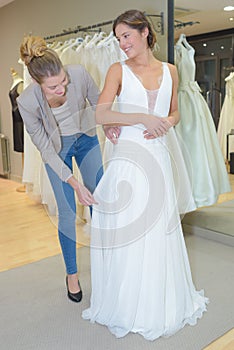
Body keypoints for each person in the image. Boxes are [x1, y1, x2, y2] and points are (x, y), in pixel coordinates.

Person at [82, 10, 208, 340]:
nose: (122, 43)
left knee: (159, 227)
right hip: (130, 156)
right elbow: (100, 112)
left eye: (127, 36)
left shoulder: (170, 70)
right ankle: (126, 303)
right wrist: (138, 118)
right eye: (118, 38)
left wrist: (165, 122)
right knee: (134, 226)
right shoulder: (116, 70)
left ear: (145, 32)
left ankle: (159, 302)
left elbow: (175, 112)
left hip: (159, 153)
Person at [17, 35, 107, 303]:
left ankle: (108, 263)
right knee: (67, 214)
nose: (62, 89)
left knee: (99, 201)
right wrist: (73, 183)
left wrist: (112, 126)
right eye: (54, 87)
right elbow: (44, 148)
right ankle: (71, 274)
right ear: (37, 83)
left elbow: (100, 104)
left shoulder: (78, 74)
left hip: (86, 139)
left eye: (63, 81)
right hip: (56, 150)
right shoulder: (27, 102)